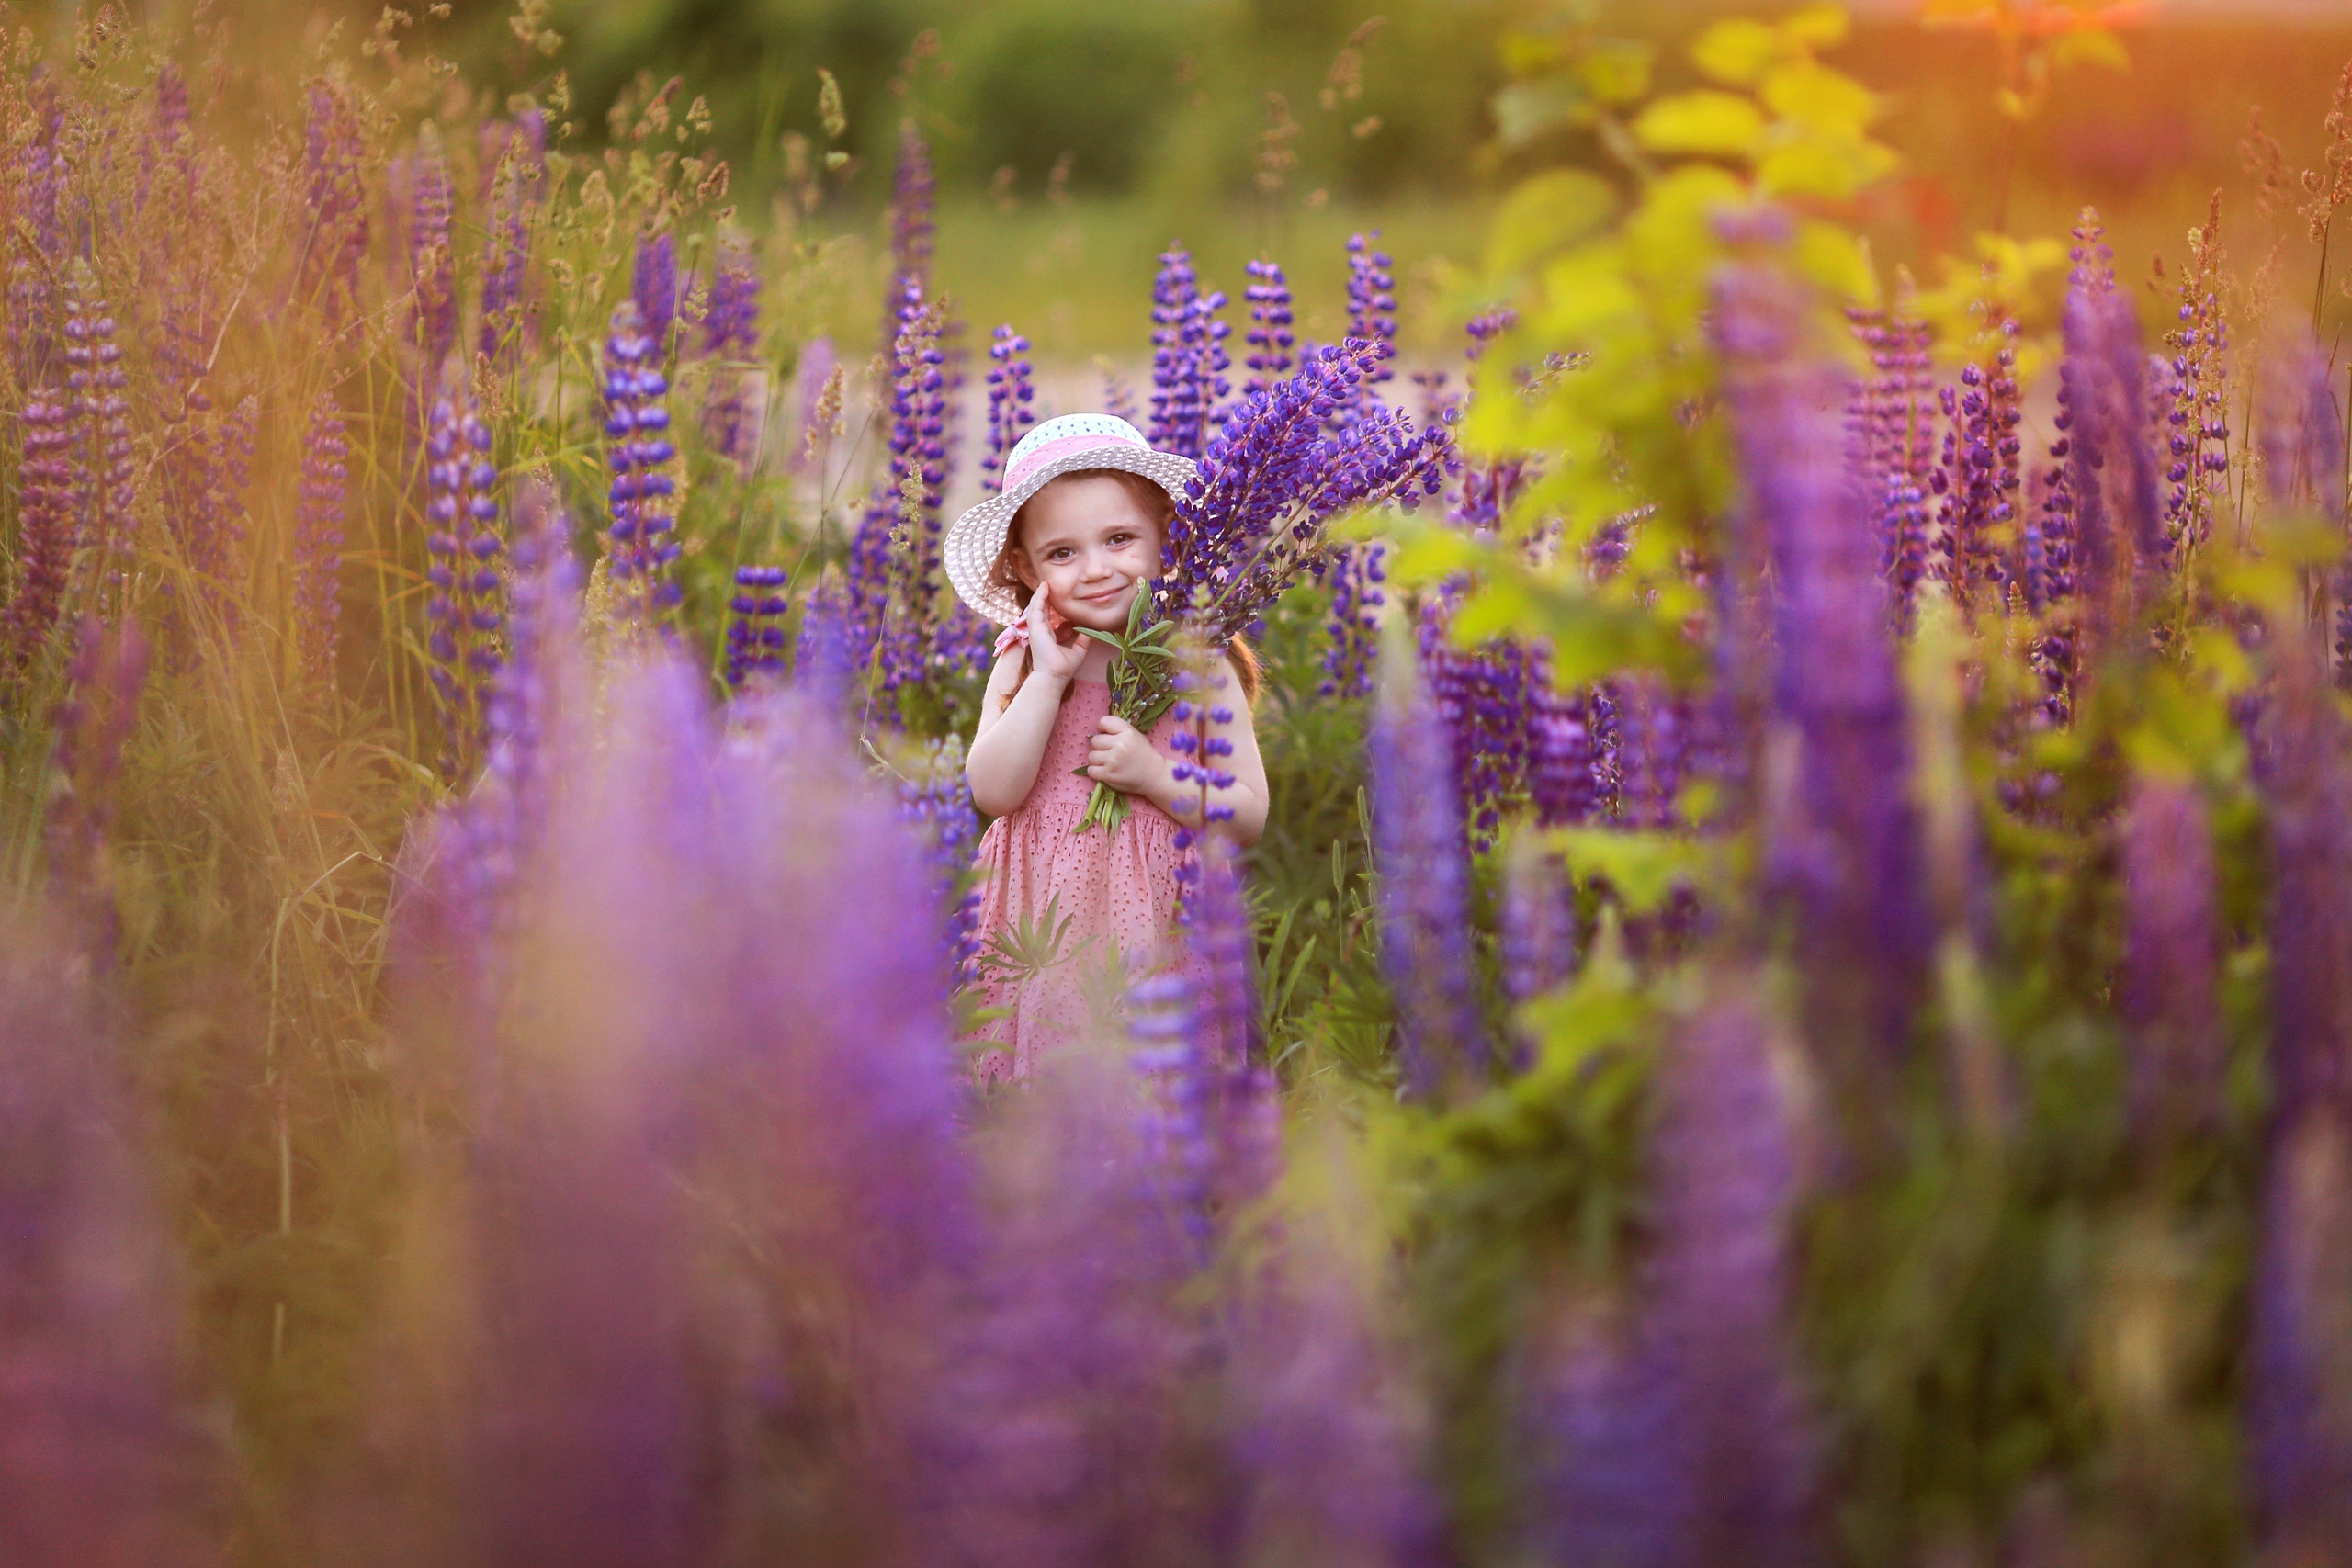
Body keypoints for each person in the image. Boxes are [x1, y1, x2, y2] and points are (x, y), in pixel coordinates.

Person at [942, 414, 1268, 1084]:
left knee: (1150, 1094)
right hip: (1040, 924)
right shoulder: (1023, 659)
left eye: (1119, 539)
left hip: (1158, 926)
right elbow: (992, 792)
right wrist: (1048, 680)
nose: (1096, 569)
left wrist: (1154, 775)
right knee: (1045, 1092)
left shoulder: (1197, 662)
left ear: (1168, 538)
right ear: (1025, 567)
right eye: (1062, 552)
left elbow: (1247, 813)